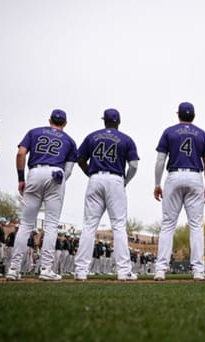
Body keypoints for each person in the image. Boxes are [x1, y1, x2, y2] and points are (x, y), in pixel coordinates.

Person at [6, 109, 77, 281]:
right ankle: (45, 269)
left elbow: (21, 153)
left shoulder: (34, 132)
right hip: (56, 174)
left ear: (49, 120)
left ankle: (14, 269)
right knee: (52, 225)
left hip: (34, 172)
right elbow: (68, 170)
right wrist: (62, 179)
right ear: (65, 123)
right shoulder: (69, 140)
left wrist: (21, 178)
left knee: (25, 225)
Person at [74, 108, 139, 281]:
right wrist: (125, 181)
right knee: (118, 226)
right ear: (118, 121)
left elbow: (79, 159)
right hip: (116, 179)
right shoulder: (126, 139)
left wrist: (91, 173)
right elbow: (133, 165)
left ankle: (81, 271)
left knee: (89, 226)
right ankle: (123, 271)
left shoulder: (92, 136)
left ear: (104, 121)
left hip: (95, 178)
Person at [153, 102, 205, 281]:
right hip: (195, 177)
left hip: (174, 174)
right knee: (195, 226)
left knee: (168, 224)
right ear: (193, 116)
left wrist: (157, 183)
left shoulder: (169, 131)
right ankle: (198, 271)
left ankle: (160, 269)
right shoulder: (202, 134)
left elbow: (160, 160)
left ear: (178, 114)